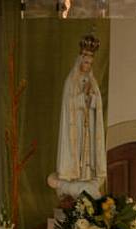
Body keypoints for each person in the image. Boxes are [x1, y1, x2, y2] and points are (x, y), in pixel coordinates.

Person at [46, 33, 106, 200]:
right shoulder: (70, 81)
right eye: (86, 62)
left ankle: (86, 177)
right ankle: (72, 179)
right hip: (76, 127)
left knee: (87, 155)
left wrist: (91, 98)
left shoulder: (92, 81)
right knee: (76, 152)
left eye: (90, 63)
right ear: (80, 60)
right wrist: (82, 98)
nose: (87, 66)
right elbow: (68, 105)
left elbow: (97, 104)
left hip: (88, 127)